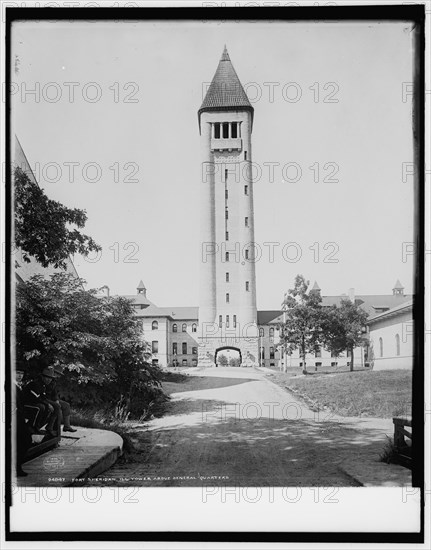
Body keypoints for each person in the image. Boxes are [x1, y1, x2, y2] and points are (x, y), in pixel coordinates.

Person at [22, 366, 59, 437]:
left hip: (34, 402)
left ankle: (38, 426)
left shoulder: (43, 385)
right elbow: (38, 397)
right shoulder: (35, 384)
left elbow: (43, 397)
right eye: (47, 377)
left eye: (50, 378)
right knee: (41, 407)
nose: (49, 380)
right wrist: (48, 404)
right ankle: (31, 426)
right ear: (42, 377)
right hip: (26, 404)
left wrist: (48, 404)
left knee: (47, 407)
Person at [13, 363, 32, 477]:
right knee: (22, 442)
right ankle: (16, 469)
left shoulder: (18, 386)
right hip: (13, 420)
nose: (20, 376)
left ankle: (17, 468)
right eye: (18, 373)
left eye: (22, 373)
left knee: (25, 441)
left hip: (19, 419)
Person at [45, 366, 77, 433]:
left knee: (66, 405)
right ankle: (52, 428)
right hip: (46, 399)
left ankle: (67, 426)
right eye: (56, 373)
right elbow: (44, 393)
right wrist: (54, 402)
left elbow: (54, 393)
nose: (57, 376)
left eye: (59, 374)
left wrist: (56, 399)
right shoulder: (47, 379)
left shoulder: (54, 381)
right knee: (58, 409)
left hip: (53, 399)